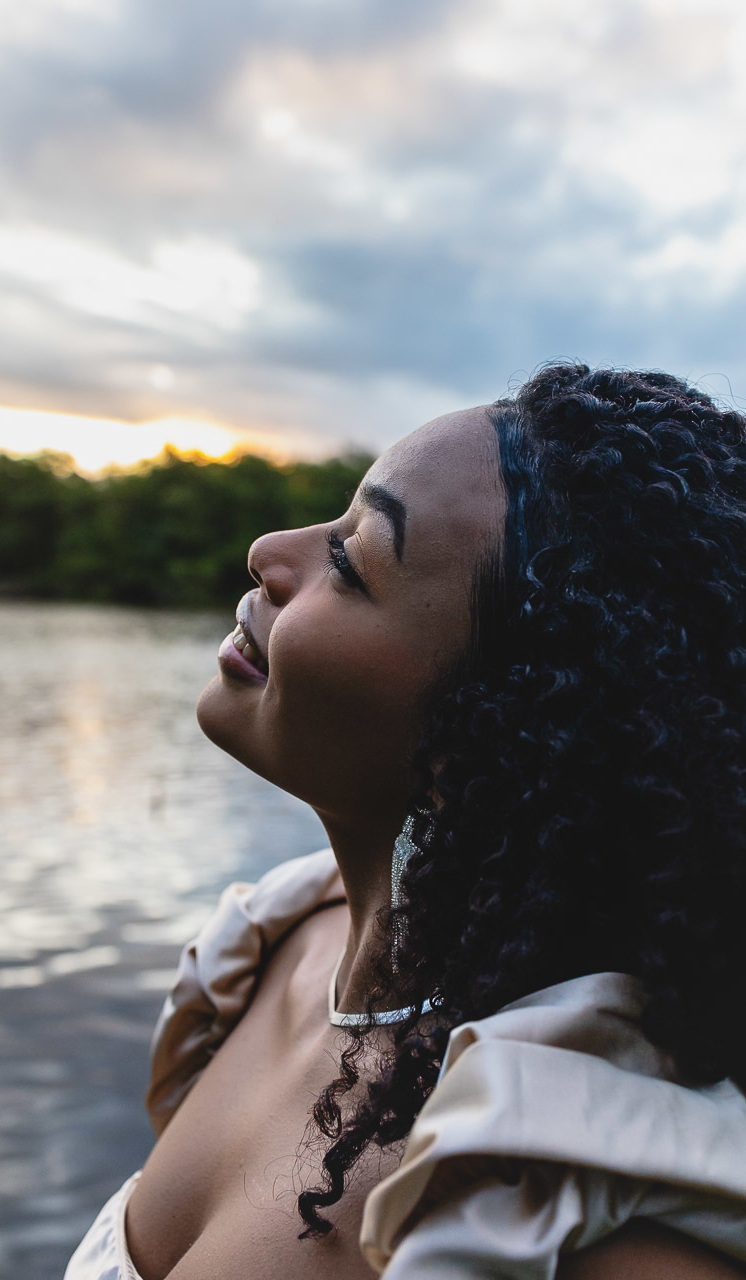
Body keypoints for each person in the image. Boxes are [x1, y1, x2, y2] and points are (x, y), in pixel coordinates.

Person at [64, 363, 746, 1279]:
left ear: (498, 727)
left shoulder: (563, 1193)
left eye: (350, 559)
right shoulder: (273, 947)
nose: (271, 550)